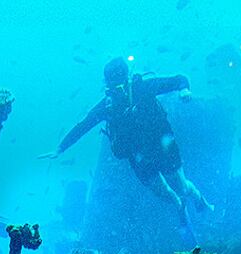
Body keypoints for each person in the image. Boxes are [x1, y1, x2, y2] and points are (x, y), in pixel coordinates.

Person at [41, 58, 211, 236]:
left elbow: (179, 79)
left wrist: (184, 90)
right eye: (112, 86)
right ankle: (180, 206)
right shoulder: (107, 106)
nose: (117, 91)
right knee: (162, 192)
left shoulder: (143, 88)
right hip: (138, 155)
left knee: (182, 187)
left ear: (127, 78)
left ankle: (198, 198)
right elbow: (84, 125)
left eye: (120, 84)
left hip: (162, 144)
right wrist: (60, 148)